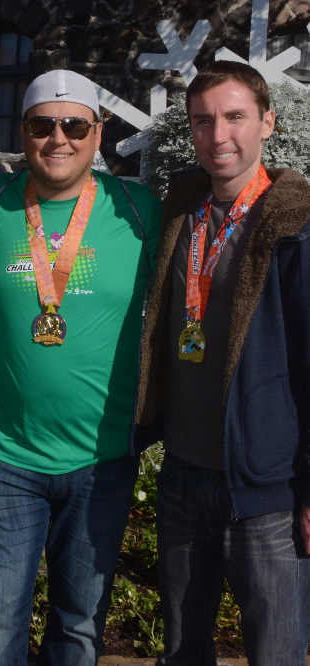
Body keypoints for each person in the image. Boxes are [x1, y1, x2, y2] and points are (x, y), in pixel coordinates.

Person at [0, 70, 161, 665]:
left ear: (98, 134)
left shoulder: (139, 209)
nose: (58, 138)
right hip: (9, 460)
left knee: (79, 627)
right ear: (23, 132)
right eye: (43, 125)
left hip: (104, 461)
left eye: (74, 125)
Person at [134, 60, 310, 665]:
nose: (219, 136)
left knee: (276, 652)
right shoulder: (182, 209)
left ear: (268, 123)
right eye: (203, 121)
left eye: (235, 117)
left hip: (268, 485)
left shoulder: (295, 226)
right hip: (184, 471)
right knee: (183, 649)